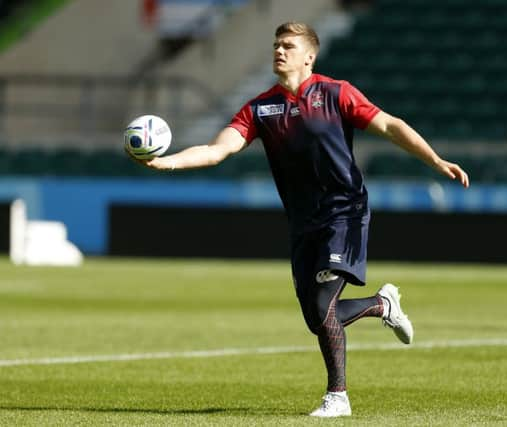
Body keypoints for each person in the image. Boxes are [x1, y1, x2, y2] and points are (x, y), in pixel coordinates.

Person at [132, 21, 470, 417]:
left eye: (288, 45)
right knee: (317, 319)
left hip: (345, 211)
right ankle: (382, 304)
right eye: (276, 44)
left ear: (309, 56)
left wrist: (434, 160)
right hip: (303, 222)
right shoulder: (260, 108)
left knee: (325, 303)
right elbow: (216, 149)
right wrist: (166, 162)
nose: (279, 50)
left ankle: (338, 396)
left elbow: (390, 125)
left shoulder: (335, 93)